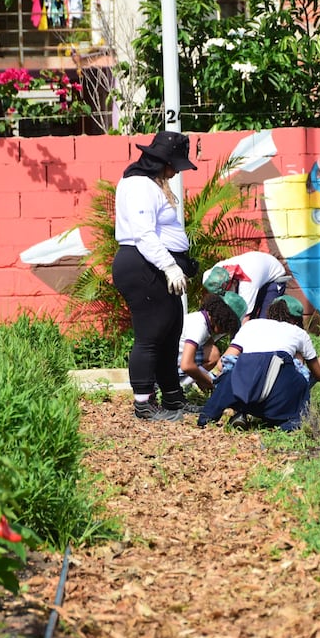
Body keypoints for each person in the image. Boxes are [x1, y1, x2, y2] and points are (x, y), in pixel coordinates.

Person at [112, 130, 200, 421]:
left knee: (170, 332)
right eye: (174, 165)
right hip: (143, 265)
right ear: (161, 161)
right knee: (150, 335)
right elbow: (143, 234)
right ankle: (143, 404)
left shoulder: (152, 183)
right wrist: (169, 266)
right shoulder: (138, 185)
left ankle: (173, 399)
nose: (175, 172)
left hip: (155, 265)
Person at [197, 296, 320, 431]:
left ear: (270, 312)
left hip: (242, 394)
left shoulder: (251, 325)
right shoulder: (298, 332)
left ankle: (231, 413)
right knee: (298, 373)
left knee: (234, 369)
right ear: (296, 320)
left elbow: (223, 363)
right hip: (278, 401)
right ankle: (287, 422)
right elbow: (319, 374)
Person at [178, 291, 246, 395]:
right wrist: (210, 381)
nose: (225, 332)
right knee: (213, 353)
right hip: (167, 363)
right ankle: (180, 386)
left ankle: (184, 384)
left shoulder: (202, 319)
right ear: (224, 318)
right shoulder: (199, 327)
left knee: (211, 351)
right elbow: (186, 365)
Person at [201, 251, 291, 320]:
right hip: (259, 272)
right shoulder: (215, 272)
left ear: (233, 282)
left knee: (264, 321)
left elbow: (244, 317)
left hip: (273, 279)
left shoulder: (247, 284)